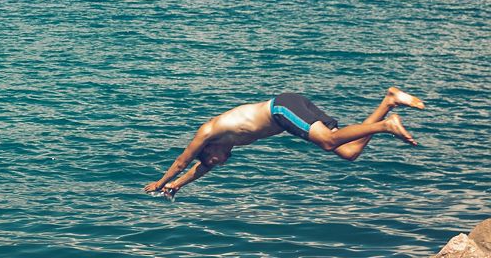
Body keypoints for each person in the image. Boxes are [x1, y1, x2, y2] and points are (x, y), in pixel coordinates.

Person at [144, 87, 424, 199]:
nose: (218, 163)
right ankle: (389, 101)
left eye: (211, 159)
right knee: (349, 151)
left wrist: (160, 182)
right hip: (291, 109)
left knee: (328, 142)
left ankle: (387, 126)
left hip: (282, 109)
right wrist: (177, 185)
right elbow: (199, 169)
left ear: (207, 149)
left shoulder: (209, 131)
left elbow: (184, 162)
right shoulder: (223, 146)